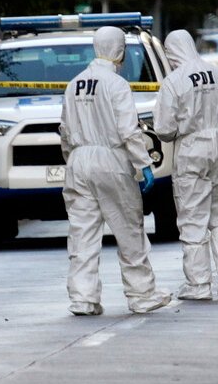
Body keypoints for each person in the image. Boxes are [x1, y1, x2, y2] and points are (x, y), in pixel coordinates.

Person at [59, 26, 171, 316]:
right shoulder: (116, 84)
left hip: (79, 162)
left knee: (82, 235)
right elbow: (128, 130)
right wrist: (143, 164)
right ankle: (142, 295)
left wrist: (72, 159)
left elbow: (66, 131)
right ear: (119, 51)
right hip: (110, 160)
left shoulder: (74, 84)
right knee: (129, 231)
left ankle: (83, 299)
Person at [154, 29, 218, 300]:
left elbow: (163, 128)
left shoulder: (173, 81)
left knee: (192, 217)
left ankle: (198, 284)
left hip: (191, 149)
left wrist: (184, 132)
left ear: (171, 51)